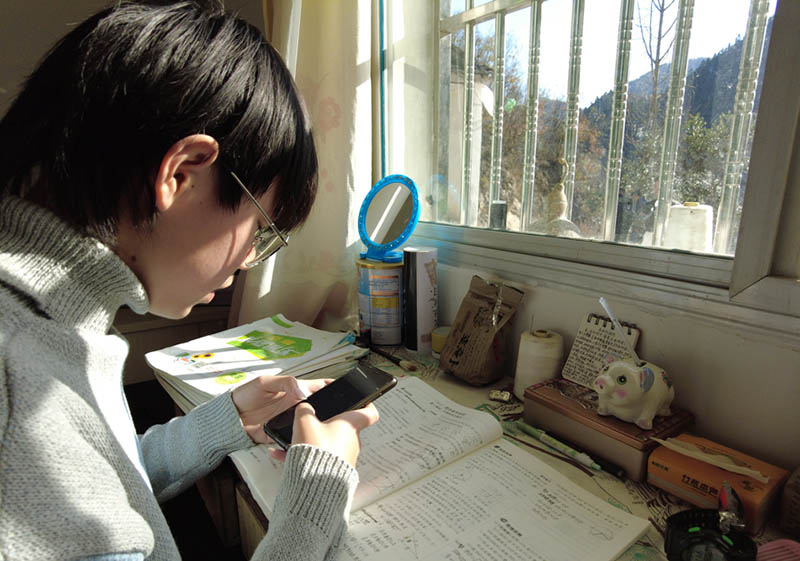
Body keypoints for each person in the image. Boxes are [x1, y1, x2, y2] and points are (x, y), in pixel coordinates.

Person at [0, 2, 379, 560]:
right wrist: (313, 503)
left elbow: (103, 485)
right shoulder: (19, 395)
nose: (250, 259)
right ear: (181, 174)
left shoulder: (57, 324)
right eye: (259, 228)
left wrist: (224, 423)